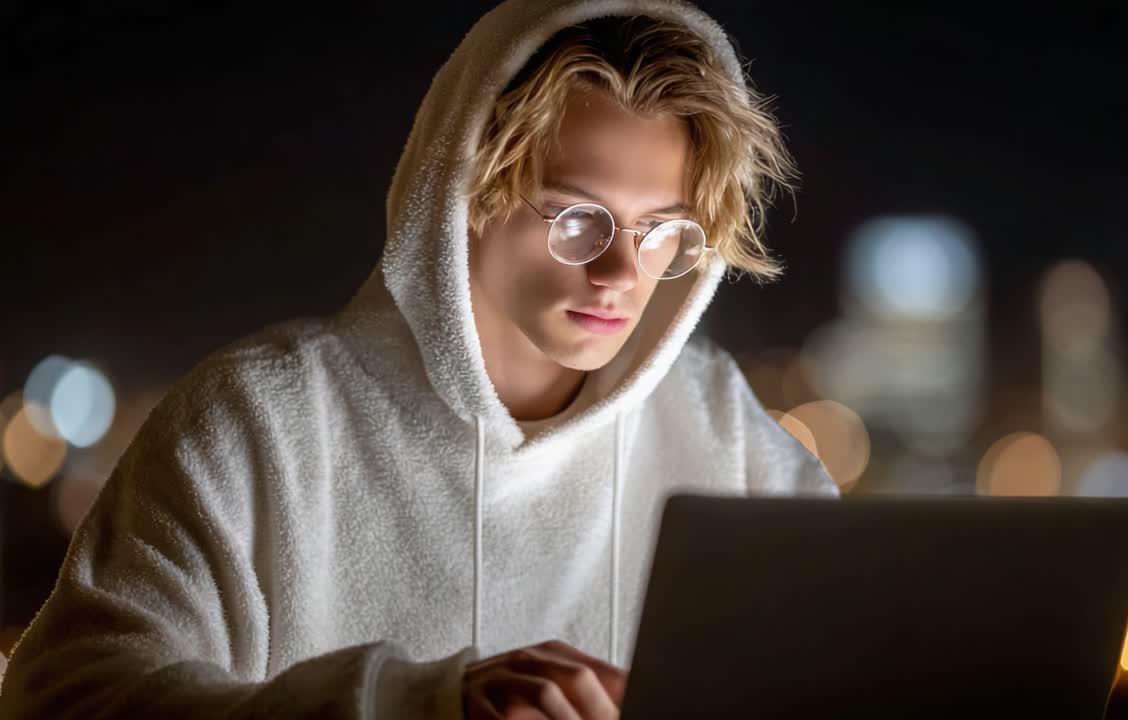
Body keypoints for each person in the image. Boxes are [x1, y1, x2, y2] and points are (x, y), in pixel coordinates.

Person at [0, 1, 838, 718]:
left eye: (662, 231)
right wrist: (411, 705)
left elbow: (866, 653)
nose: (623, 274)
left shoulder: (719, 428)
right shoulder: (262, 420)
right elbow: (64, 697)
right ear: (466, 196)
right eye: (577, 220)